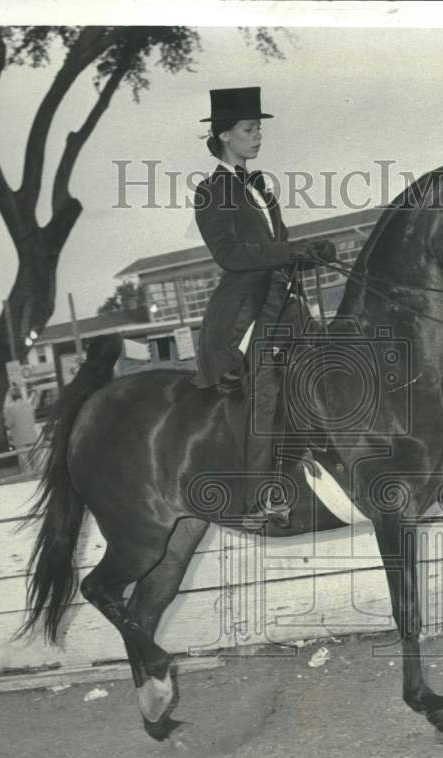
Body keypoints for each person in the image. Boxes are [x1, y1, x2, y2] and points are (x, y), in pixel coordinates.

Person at [192, 86, 337, 531]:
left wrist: (304, 255)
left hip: (281, 301)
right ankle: (260, 498)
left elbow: (276, 247)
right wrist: (290, 252)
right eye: (249, 129)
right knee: (265, 391)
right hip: (244, 314)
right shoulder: (211, 192)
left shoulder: (259, 186)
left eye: (258, 129)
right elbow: (232, 256)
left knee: (336, 360)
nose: (258, 136)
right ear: (224, 135)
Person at [3, 383, 38, 472]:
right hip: (32, 436)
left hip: (20, 439)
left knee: (25, 464)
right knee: (35, 462)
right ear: (21, 395)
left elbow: (8, 424)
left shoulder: (11, 408)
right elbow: (33, 418)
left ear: (12, 397)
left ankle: (28, 480)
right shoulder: (29, 405)